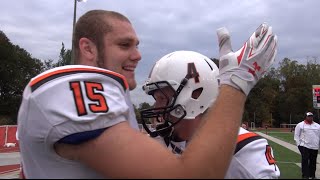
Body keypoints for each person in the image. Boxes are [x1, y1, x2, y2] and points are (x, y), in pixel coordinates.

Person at [17, 7, 278, 178]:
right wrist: (237, 82)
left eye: (137, 45)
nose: (137, 55)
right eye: (124, 44)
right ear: (88, 48)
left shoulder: (244, 149)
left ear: (196, 95)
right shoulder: (70, 90)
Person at [140, 50, 280, 179]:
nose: (156, 107)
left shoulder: (241, 148)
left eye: (162, 98)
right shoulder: (157, 143)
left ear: (195, 95)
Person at [294, 112, 320, 179]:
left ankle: (312, 175)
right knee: (305, 161)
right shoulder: (300, 125)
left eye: (311, 116)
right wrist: (299, 145)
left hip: (314, 146)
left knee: (313, 162)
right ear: (305, 117)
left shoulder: (317, 126)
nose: (310, 117)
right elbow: (296, 135)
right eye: (309, 116)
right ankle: (305, 175)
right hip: (304, 146)